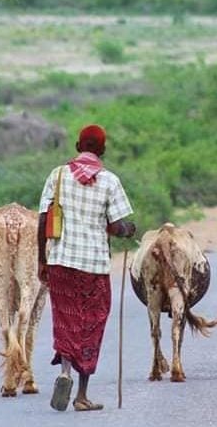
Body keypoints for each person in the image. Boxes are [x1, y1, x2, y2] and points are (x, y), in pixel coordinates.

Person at [37, 124, 136, 412]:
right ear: (102, 149)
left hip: (61, 262)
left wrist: (42, 261)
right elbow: (117, 227)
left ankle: (64, 372)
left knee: (66, 320)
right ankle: (81, 395)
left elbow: (43, 221)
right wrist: (128, 229)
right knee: (91, 324)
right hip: (93, 266)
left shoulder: (56, 176)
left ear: (79, 146)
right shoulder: (109, 181)